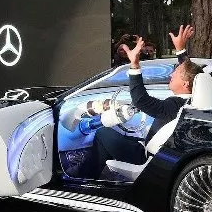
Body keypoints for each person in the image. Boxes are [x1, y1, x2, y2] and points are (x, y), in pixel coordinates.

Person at [85, 25, 203, 179]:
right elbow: (191, 74)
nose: (172, 74)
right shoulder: (194, 102)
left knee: (102, 132)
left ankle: (85, 176)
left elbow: (140, 100)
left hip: (148, 162)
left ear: (186, 84)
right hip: (163, 157)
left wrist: (134, 64)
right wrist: (180, 50)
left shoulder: (174, 107)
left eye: (176, 72)